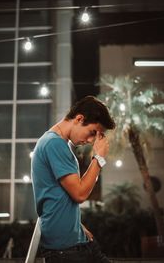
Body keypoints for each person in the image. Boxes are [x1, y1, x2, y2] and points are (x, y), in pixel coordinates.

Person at [31, 95, 116, 263]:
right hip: (65, 250)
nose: (91, 141)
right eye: (92, 132)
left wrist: (77, 226)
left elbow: (61, 197)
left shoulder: (59, 144)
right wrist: (98, 158)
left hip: (77, 243)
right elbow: (79, 194)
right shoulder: (53, 143)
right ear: (79, 118)